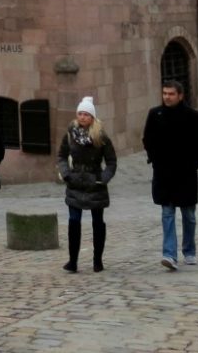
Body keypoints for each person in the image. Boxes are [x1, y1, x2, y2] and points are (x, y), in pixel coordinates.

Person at [142, 78, 198, 271]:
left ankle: (189, 251)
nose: (167, 97)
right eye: (165, 93)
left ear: (180, 95)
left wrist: (193, 163)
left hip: (186, 174)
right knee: (167, 213)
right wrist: (155, 159)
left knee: (189, 214)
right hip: (164, 173)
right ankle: (169, 254)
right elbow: (147, 139)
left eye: (171, 94)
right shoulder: (155, 115)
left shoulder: (194, 117)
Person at [56, 96, 117, 272]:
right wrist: (66, 173)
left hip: (95, 182)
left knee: (98, 222)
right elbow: (61, 155)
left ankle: (97, 260)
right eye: (80, 113)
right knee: (74, 221)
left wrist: (103, 178)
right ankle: (72, 261)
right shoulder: (70, 134)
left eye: (86, 114)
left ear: (92, 117)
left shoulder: (100, 136)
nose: (82, 117)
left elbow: (111, 161)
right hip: (75, 182)